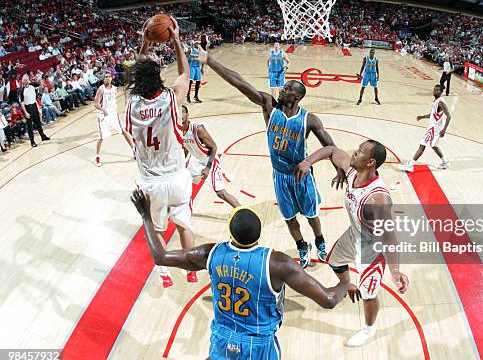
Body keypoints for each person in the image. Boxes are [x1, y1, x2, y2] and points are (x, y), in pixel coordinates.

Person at [130, 189, 349, 360]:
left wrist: (145, 216)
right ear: (259, 233)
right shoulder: (277, 263)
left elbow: (160, 256)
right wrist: (344, 284)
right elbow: (328, 299)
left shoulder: (210, 254)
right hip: (258, 344)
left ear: (230, 234)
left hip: (223, 335)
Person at [203, 52, 345, 268]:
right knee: (289, 218)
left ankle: (320, 241)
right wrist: (210, 60)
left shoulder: (309, 119)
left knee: (311, 215)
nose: (282, 90)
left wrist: (339, 168)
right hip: (280, 176)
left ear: (296, 97)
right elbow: (240, 83)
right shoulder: (269, 105)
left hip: (301, 176)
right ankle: (301, 246)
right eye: (284, 87)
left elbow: (331, 146)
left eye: (287, 89)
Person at [294, 140, 409, 347]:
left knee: (368, 293)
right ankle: (347, 283)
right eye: (357, 148)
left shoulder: (378, 200)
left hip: (372, 249)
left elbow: (389, 237)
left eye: (360, 151)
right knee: (335, 261)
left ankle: (368, 329)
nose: (354, 152)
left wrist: (395, 271)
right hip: (354, 234)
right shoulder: (353, 173)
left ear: (370, 162)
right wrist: (307, 162)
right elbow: (332, 151)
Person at [126, 16, 196, 287]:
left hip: (150, 183)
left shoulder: (132, 104)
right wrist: (176, 39)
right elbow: (184, 73)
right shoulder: (170, 98)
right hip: (176, 176)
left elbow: (134, 73)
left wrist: (144, 45)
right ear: (158, 78)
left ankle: (164, 274)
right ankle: (190, 269)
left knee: (157, 229)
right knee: (183, 224)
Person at [181, 105, 241, 208]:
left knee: (221, 193)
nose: (180, 115)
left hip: (209, 160)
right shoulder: (178, 130)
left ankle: (244, 212)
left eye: (182, 112)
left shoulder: (198, 129)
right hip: (194, 160)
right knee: (181, 182)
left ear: (187, 115)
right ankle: (182, 209)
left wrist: (208, 168)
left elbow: (214, 147)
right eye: (178, 112)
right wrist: (181, 163)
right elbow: (186, 147)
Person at [398, 84, 451, 172]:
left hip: (434, 128)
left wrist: (444, 130)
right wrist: (422, 117)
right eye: (434, 89)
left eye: (437, 90)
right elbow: (432, 115)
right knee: (434, 145)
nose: (435, 91)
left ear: (441, 92)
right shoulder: (436, 101)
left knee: (422, 144)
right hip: (434, 127)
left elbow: (449, 116)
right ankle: (445, 161)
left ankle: (410, 165)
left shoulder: (440, 102)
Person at [93, 70, 135, 167]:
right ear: (103, 79)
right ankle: (97, 157)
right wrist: (102, 109)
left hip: (113, 114)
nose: (107, 78)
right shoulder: (101, 89)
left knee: (124, 131)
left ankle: (134, 150)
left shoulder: (115, 89)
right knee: (101, 137)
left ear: (112, 78)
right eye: (105, 77)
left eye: (108, 76)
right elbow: (96, 104)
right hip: (103, 115)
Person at [19, 75, 50, 147]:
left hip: (34, 106)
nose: (26, 81)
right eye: (25, 80)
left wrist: (39, 79)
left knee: (38, 123)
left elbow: (41, 84)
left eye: (27, 79)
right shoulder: (21, 90)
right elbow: (21, 102)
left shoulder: (32, 85)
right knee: (30, 126)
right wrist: (26, 113)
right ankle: (32, 142)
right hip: (27, 108)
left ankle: (43, 136)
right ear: (23, 81)